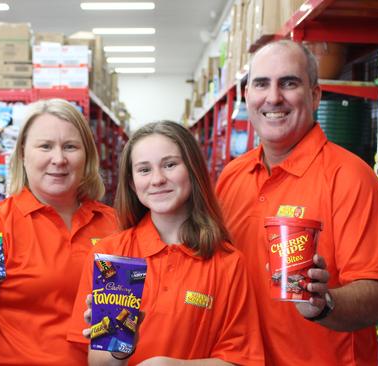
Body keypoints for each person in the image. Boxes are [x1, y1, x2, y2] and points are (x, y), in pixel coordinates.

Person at [215, 39, 378, 365]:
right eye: (261, 84)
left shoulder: (350, 176)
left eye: (289, 83)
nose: (273, 97)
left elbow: (377, 298)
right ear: (247, 96)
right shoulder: (232, 177)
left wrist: (323, 303)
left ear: (314, 96)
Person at [0, 98, 119, 365]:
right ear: (23, 154)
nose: (59, 159)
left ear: (87, 157)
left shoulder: (112, 224)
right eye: (45, 146)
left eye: (70, 147)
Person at [68, 121, 265, 365]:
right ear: (131, 183)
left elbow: (241, 359)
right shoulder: (111, 257)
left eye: (170, 165)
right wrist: (121, 350)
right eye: (144, 170)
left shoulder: (227, 262)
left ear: (192, 171)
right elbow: (98, 363)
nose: (158, 179)